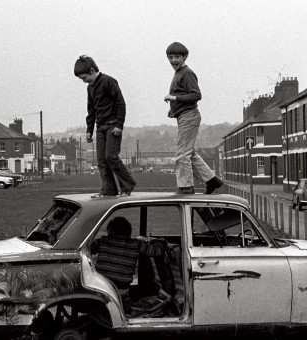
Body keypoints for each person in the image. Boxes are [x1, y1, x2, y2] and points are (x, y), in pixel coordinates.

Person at [164, 42, 223, 195]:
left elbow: (196, 95)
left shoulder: (187, 73)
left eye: (177, 57)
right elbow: (185, 95)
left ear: (185, 57)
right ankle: (212, 180)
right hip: (183, 115)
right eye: (170, 57)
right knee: (188, 152)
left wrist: (174, 99)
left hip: (189, 116)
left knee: (182, 155)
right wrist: (173, 109)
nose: (173, 60)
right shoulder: (179, 73)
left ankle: (186, 187)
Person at [74, 55, 136, 198]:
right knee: (101, 160)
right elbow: (91, 110)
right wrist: (89, 130)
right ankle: (108, 190)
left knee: (111, 156)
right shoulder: (90, 88)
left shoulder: (109, 81)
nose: (84, 81)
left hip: (113, 126)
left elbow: (121, 103)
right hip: (100, 128)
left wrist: (120, 125)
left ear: (91, 70)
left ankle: (127, 186)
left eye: (84, 78)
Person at [90, 217, 164, 291]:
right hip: (122, 288)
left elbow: (89, 248)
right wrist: (160, 241)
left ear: (111, 231)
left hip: (102, 286)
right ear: (129, 232)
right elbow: (157, 251)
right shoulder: (136, 244)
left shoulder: (103, 241)